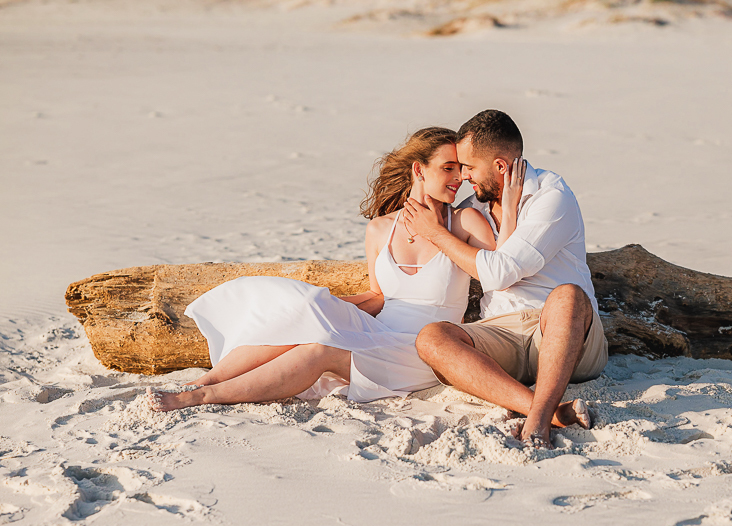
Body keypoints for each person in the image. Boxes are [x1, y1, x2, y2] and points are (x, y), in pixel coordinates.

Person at [147, 127, 501, 411]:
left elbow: (500, 269)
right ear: (418, 169)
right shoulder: (381, 229)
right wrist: (322, 306)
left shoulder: (464, 222)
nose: (459, 178)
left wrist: (443, 230)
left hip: (426, 349)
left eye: (462, 169)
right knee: (303, 314)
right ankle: (208, 380)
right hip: (379, 331)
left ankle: (201, 397)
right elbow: (379, 296)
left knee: (318, 350)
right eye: (448, 168)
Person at [404, 110, 609, 448]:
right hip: (502, 332)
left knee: (567, 296)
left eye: (469, 167)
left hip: (562, 333)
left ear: (500, 166)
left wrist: (437, 235)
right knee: (432, 338)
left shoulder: (551, 196)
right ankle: (553, 410)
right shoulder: (474, 206)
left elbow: (501, 270)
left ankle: (539, 423)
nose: (463, 176)